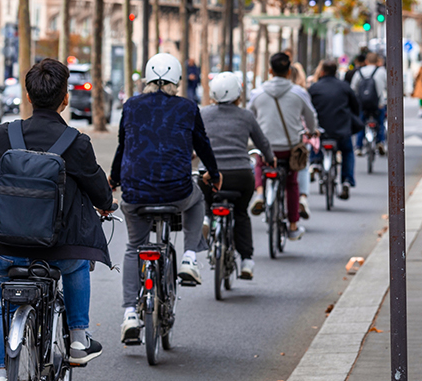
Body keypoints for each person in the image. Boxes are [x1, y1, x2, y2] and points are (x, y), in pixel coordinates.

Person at [0, 58, 115, 381]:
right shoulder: (76, 142)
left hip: (5, 246)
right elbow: (99, 190)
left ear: (28, 95)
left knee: (8, 305)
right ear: (65, 99)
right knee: (78, 264)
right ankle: (79, 338)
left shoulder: (7, 133)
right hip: (58, 249)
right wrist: (107, 204)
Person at [111, 53, 221, 345]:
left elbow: (124, 145)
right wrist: (214, 172)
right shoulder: (187, 106)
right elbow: (202, 143)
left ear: (147, 79)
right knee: (197, 199)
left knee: (135, 246)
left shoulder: (131, 105)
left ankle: (130, 315)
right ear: (178, 81)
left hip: (134, 193)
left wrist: (114, 179)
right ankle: (188, 258)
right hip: (176, 191)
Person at [200, 72, 273, 280]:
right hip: (241, 175)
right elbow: (262, 143)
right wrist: (270, 158)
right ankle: (247, 261)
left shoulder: (203, 114)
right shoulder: (246, 116)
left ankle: (207, 217)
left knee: (205, 197)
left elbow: (191, 141)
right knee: (241, 213)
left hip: (210, 176)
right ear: (238, 95)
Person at [247, 51, 319, 239]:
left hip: (267, 149)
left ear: (270, 70)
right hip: (289, 149)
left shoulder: (257, 93)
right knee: (292, 182)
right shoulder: (299, 93)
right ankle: (293, 226)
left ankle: (260, 193)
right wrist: (312, 131)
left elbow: (249, 118)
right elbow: (311, 118)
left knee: (259, 161)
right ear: (289, 72)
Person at [307, 61, 362, 199]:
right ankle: (347, 181)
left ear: (322, 72)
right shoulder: (344, 87)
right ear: (335, 71)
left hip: (321, 129)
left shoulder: (314, 88)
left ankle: (315, 163)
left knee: (314, 141)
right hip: (341, 129)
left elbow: (308, 109)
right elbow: (355, 106)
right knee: (348, 151)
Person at [351, 53, 388, 158]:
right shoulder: (382, 72)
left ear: (366, 61)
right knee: (380, 123)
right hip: (378, 104)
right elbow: (388, 87)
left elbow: (353, 88)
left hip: (362, 105)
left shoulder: (359, 72)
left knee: (361, 124)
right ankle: (380, 142)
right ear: (377, 62)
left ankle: (358, 146)